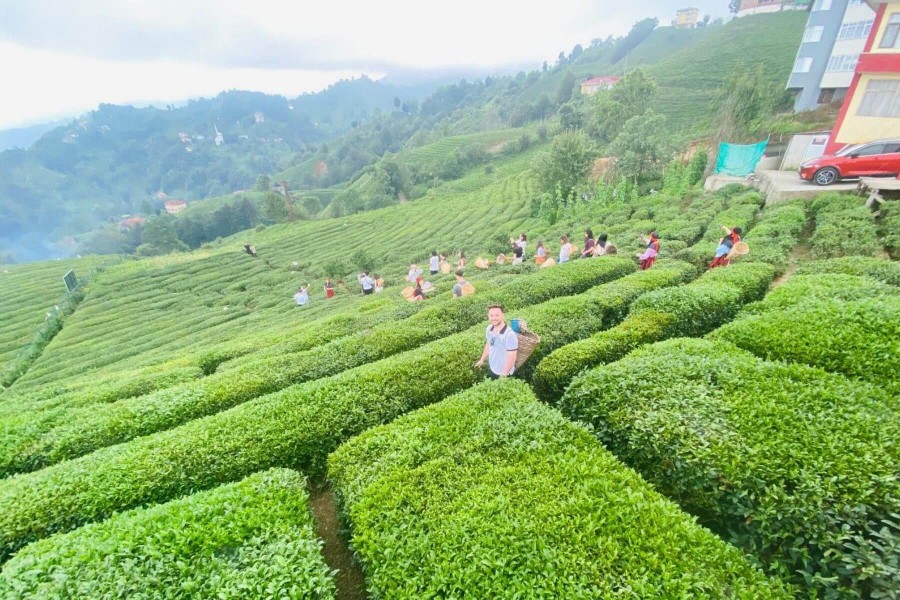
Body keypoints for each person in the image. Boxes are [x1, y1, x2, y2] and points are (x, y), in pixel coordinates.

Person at [474, 304, 518, 379]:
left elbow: (512, 357)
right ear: (488, 316)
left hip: (505, 373)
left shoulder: (509, 334)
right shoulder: (489, 328)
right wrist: (482, 359)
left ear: (503, 315)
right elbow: (488, 344)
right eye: (491, 315)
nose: (494, 318)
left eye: (497, 315)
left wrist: (503, 375)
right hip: (493, 368)